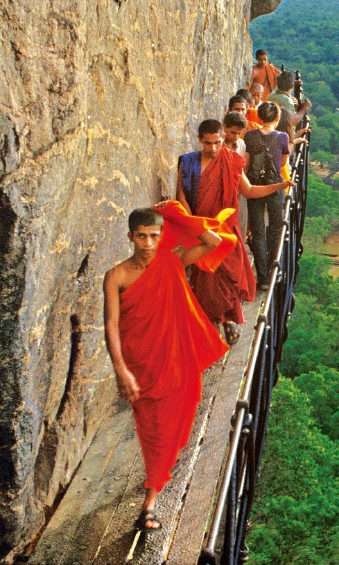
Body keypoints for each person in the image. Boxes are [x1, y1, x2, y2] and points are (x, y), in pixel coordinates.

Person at [103, 203, 231, 532]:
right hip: (140, 362)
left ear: (161, 237)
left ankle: (154, 485)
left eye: (154, 236)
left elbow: (213, 243)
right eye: (141, 236)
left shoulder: (172, 261)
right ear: (130, 236)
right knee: (155, 428)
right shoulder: (116, 276)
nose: (147, 243)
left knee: (175, 420)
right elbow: (111, 325)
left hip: (176, 358)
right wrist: (122, 370)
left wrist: (176, 214)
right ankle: (149, 505)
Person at [177, 119, 294, 342]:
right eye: (208, 143)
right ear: (200, 139)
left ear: (223, 140)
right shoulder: (187, 162)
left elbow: (248, 191)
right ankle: (212, 327)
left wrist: (278, 186)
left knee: (227, 278)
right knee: (203, 280)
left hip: (224, 231)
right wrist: (193, 223)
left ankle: (227, 320)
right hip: (200, 229)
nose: (213, 148)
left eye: (217, 143)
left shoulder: (230, 161)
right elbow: (181, 194)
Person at [244, 102, 307, 289]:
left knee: (258, 231)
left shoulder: (250, 136)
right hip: (275, 187)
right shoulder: (282, 137)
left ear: (260, 117)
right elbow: (282, 163)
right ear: (277, 119)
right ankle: (273, 270)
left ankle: (262, 278)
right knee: (275, 229)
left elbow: (246, 163)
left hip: (254, 186)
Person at [223, 111, 248, 239]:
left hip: (238, 192)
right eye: (233, 133)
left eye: (239, 133)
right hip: (221, 195)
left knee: (239, 229)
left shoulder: (241, 145)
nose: (236, 137)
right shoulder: (217, 145)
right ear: (224, 127)